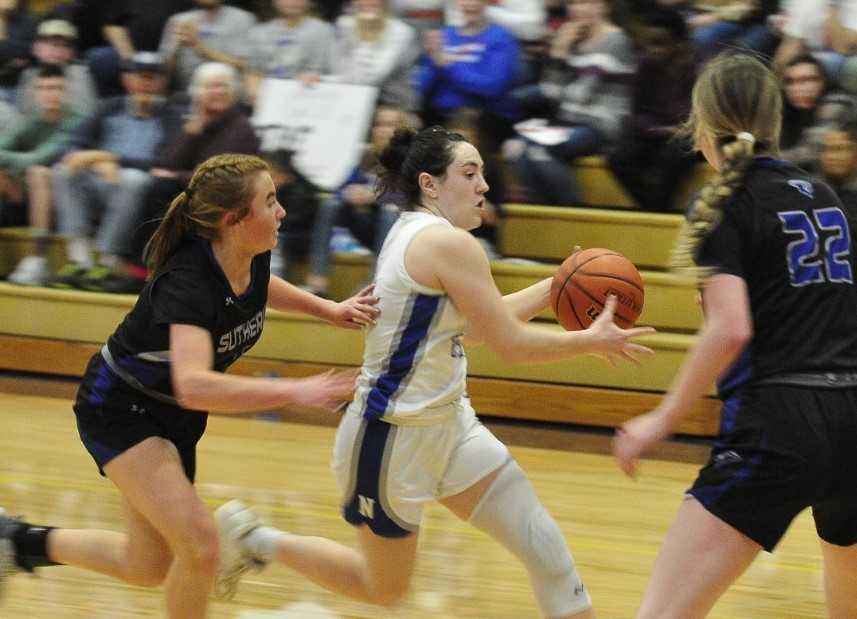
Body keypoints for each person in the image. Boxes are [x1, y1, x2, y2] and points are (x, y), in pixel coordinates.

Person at [214, 126, 656, 617]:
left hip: (449, 428)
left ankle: (254, 539)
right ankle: (256, 539)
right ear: (430, 184)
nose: (484, 185)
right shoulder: (446, 245)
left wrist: (558, 286)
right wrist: (589, 341)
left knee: (546, 550)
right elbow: (509, 344)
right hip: (390, 440)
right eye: (469, 173)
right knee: (382, 589)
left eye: (483, 173)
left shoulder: (417, 232)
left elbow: (470, 328)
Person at [0, 153, 380, 619]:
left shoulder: (248, 253)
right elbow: (194, 385)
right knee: (201, 547)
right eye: (270, 201)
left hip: (170, 416)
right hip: (120, 408)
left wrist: (328, 310)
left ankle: (16, 543)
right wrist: (293, 391)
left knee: (147, 566)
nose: (281, 211)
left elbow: (260, 286)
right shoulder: (189, 283)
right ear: (234, 220)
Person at [613, 53, 857, 619]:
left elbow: (731, 327)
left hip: (780, 424)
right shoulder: (826, 196)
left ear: (701, 124)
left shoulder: (723, 200)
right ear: (774, 121)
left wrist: (660, 420)